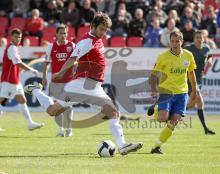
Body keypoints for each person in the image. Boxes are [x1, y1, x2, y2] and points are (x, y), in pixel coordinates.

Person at [24, 12, 143, 155]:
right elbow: (73, 57)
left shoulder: (98, 40)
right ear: (93, 26)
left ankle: (122, 146)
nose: (104, 33)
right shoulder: (86, 41)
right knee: (53, 111)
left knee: (113, 112)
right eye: (101, 29)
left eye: (106, 30)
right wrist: (61, 72)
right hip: (80, 86)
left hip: (95, 87)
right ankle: (36, 90)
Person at [148, 31, 198, 154]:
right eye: (173, 41)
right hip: (166, 92)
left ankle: (157, 146)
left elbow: (191, 73)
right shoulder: (162, 57)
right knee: (162, 118)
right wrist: (154, 90)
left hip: (182, 93)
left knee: (174, 122)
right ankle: (157, 111)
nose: (175, 44)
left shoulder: (188, 55)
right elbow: (153, 75)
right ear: (170, 42)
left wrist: (194, 90)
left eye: (177, 41)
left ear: (182, 41)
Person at [0, 28, 44, 130]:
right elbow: (18, 63)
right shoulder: (12, 48)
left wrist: (19, 70)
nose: (18, 39)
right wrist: (31, 69)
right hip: (9, 80)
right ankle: (30, 123)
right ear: (12, 37)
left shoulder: (14, 48)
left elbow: (14, 64)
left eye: (19, 37)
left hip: (13, 79)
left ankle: (30, 123)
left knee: (22, 100)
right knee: (3, 101)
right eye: (16, 37)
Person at [42, 24, 75, 137]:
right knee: (56, 106)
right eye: (60, 33)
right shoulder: (51, 47)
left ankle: (69, 129)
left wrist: (77, 74)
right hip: (55, 82)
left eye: (65, 33)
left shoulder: (72, 46)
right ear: (56, 34)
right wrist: (44, 78)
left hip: (69, 82)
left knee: (68, 106)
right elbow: (46, 64)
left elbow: (76, 62)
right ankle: (60, 130)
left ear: (67, 34)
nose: (63, 35)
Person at [184, 30, 216, 135]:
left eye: (200, 37)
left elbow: (210, 55)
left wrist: (210, 61)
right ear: (194, 39)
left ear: (203, 39)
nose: (199, 39)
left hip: (199, 79)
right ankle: (206, 129)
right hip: (189, 78)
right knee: (200, 101)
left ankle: (175, 113)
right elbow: (178, 54)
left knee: (196, 103)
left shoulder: (206, 48)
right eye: (197, 37)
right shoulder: (188, 48)